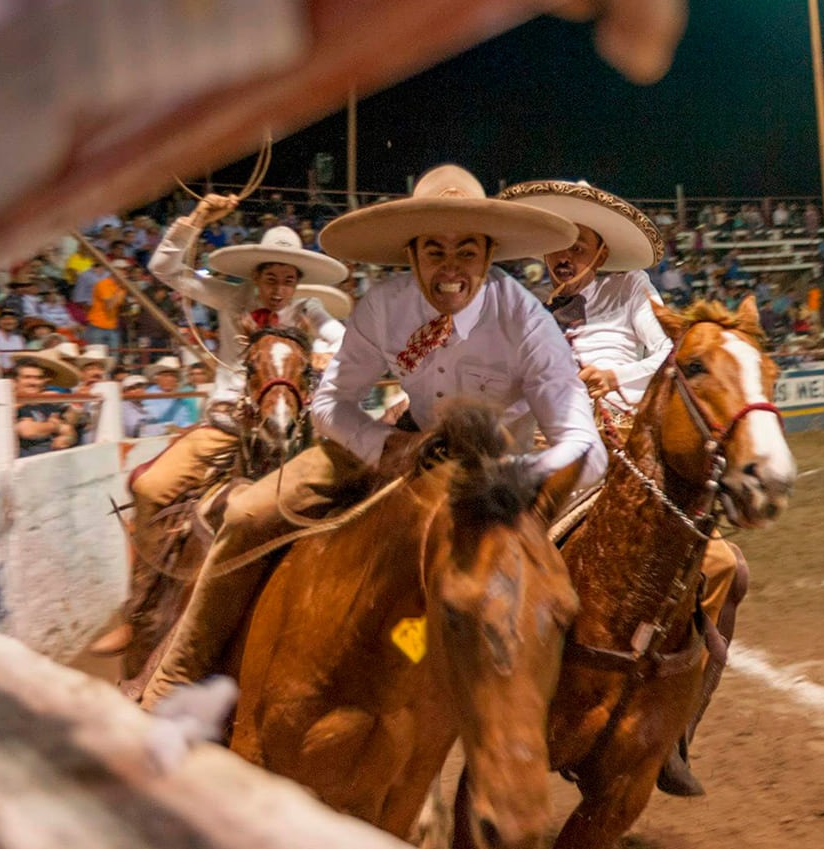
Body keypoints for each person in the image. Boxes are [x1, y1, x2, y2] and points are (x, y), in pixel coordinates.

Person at [140, 163, 605, 705]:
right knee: (246, 514)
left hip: (499, 463)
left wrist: (507, 477)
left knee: (548, 591)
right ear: (411, 255)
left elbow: (582, 444)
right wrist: (390, 446)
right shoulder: (385, 307)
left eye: (467, 252)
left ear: (490, 254)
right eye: (435, 250)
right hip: (403, 442)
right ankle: (178, 672)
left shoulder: (526, 321)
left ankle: (550, 720)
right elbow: (332, 407)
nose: (450, 267)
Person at [500, 179, 744, 797]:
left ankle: (675, 733)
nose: (564, 255)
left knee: (725, 570)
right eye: (557, 245)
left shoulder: (631, 291)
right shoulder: (529, 311)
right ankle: (490, 708)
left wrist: (616, 373)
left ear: (600, 252)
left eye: (577, 245)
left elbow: (673, 357)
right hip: (553, 461)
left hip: (625, 464)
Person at [88, 198, 353, 658]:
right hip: (227, 425)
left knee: (354, 493)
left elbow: (339, 336)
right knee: (150, 488)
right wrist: (195, 221)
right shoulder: (231, 297)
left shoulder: (308, 308)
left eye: (288, 280)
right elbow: (167, 269)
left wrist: (330, 354)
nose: (279, 288)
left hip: (294, 427)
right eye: (271, 278)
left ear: (298, 282)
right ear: (256, 276)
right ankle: (139, 612)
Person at [11, 352, 80, 457]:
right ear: (15, 381)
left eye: (38, 378)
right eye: (27, 377)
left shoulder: (46, 403)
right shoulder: (12, 404)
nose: (34, 382)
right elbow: (27, 430)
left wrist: (67, 439)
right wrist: (55, 426)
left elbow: (69, 430)